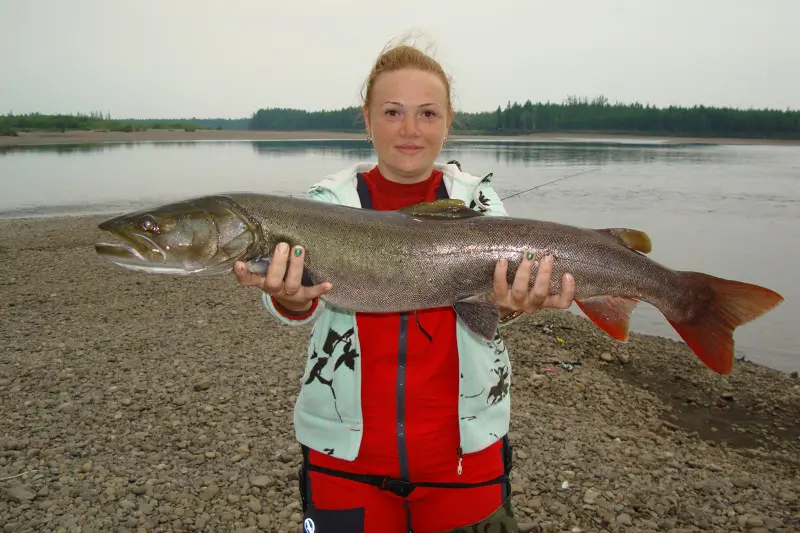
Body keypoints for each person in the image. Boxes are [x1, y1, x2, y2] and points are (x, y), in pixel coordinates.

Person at [234, 39, 576, 533]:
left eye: (427, 113)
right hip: (343, 458)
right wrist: (288, 297)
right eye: (393, 112)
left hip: (467, 458)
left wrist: (519, 304)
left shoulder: (480, 203)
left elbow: (496, 311)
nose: (410, 129)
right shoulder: (322, 204)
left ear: (448, 121)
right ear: (366, 119)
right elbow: (299, 306)